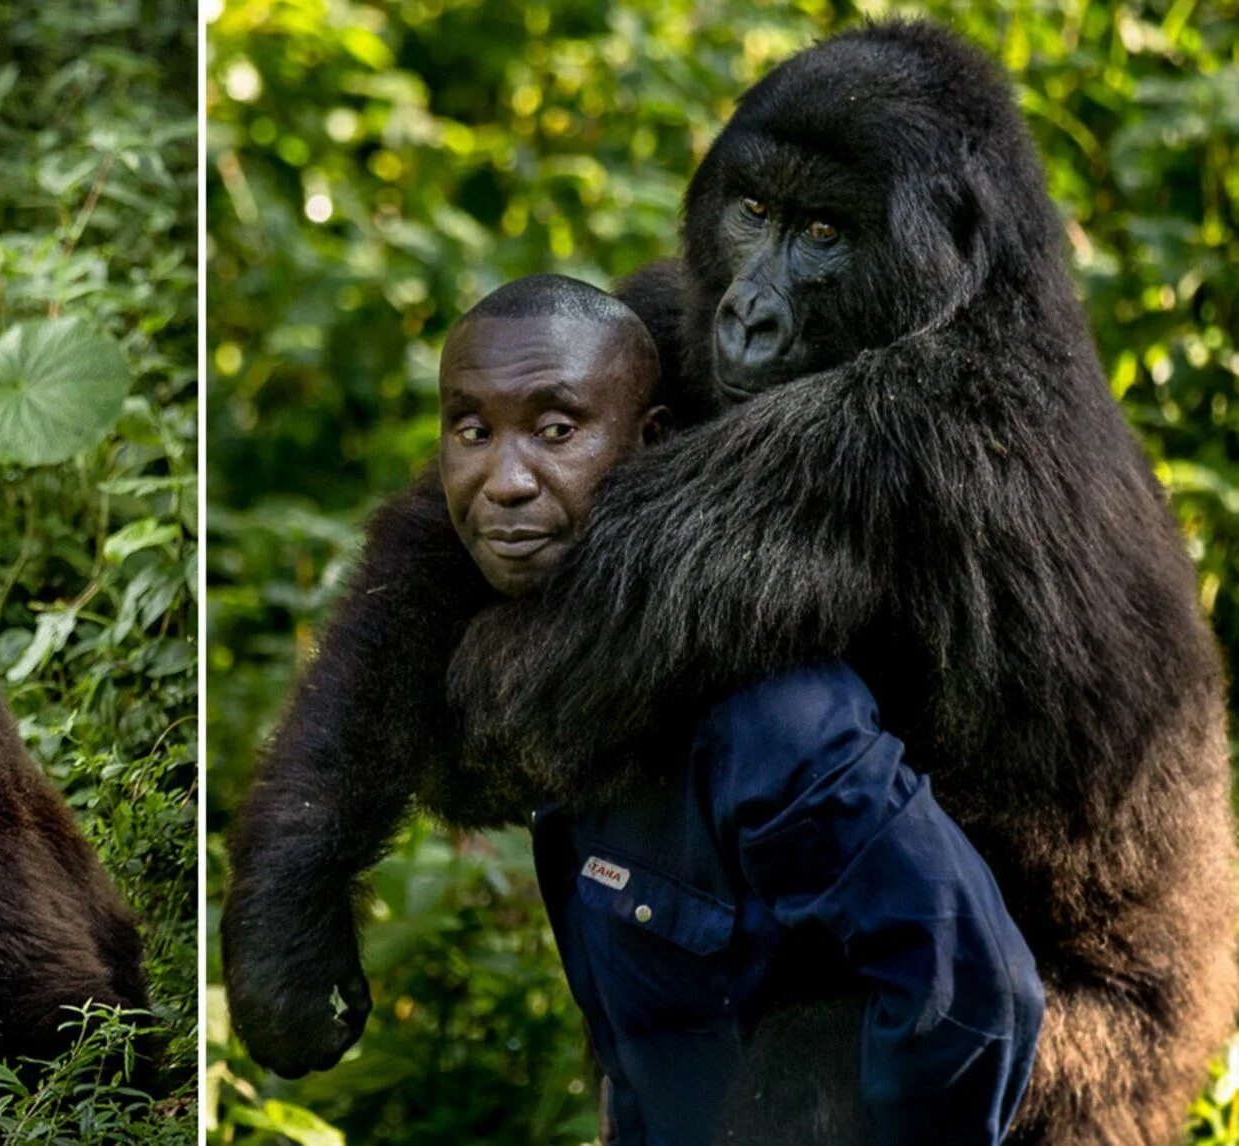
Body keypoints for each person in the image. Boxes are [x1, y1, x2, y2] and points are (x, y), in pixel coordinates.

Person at [436, 274, 1043, 1143]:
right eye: (472, 432)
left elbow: (976, 993)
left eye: (557, 431)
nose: (506, 481)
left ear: (652, 447)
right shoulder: (566, 686)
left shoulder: (771, 715)